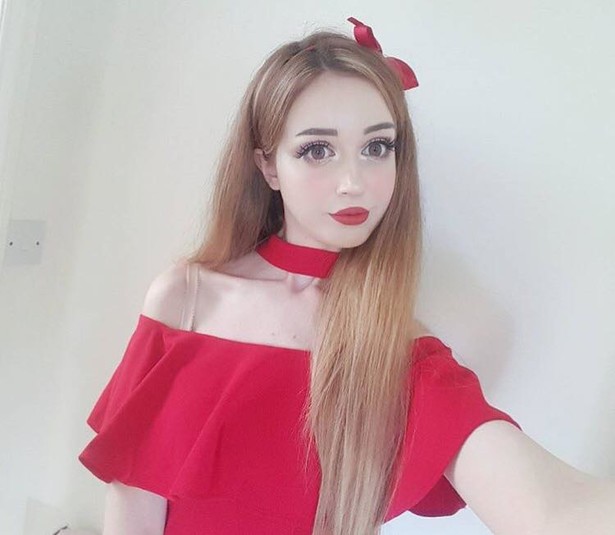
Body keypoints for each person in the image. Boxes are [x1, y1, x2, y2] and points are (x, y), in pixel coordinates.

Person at [79, 17, 615, 535]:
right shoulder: (185, 298)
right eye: (318, 150)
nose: (354, 182)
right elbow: (132, 502)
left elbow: (553, 512)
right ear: (268, 166)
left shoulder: (400, 350)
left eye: (377, 147)